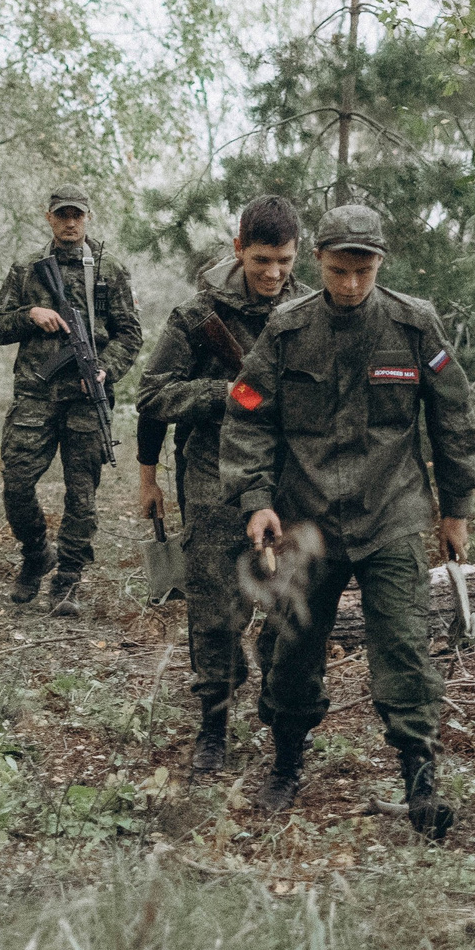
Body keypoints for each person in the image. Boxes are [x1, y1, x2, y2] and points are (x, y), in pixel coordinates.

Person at [217, 202, 475, 834]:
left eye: (363, 271)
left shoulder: (414, 326)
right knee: (292, 650)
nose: (350, 284)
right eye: (338, 270)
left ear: (380, 263)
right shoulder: (287, 329)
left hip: (389, 514)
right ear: (319, 261)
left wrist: (457, 510)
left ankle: (420, 779)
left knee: (403, 647)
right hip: (306, 521)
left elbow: (453, 420)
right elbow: (248, 415)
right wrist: (256, 499)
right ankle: (285, 762)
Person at [134, 195, 307, 775]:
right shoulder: (196, 317)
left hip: (290, 475)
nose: (273, 273)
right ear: (239, 249)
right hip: (212, 475)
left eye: (284, 260)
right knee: (214, 607)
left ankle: (276, 692)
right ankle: (213, 721)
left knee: (293, 602)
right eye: (261, 259)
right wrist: (224, 395)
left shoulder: (312, 312)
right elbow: (151, 394)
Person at [0, 188, 143, 615]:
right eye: (62, 216)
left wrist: (104, 368)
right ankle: (37, 553)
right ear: (49, 218)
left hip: (86, 400)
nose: (70, 223)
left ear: (89, 216)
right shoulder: (27, 269)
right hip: (36, 394)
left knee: (82, 497)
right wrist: (29, 315)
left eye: (77, 215)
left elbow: (130, 334)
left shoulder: (109, 270)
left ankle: (68, 580)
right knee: (16, 484)